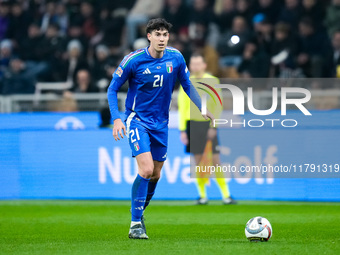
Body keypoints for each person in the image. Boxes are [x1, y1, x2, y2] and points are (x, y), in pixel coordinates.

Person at [107, 18, 212, 239]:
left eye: (165, 35)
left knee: (155, 175)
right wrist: (117, 119)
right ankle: (135, 224)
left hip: (161, 124)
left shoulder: (176, 57)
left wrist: (201, 107)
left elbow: (187, 84)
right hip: (138, 120)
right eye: (158, 34)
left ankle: (138, 212)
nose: (162, 39)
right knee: (145, 170)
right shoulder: (133, 60)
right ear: (149, 36)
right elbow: (112, 89)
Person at [178, 53, 236, 205]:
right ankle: (202, 196)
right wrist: (183, 129)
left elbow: (218, 105)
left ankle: (226, 195)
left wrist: (213, 125)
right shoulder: (187, 81)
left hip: (207, 124)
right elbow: (183, 107)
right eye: (193, 63)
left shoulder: (212, 81)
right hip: (192, 124)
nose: (195, 66)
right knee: (198, 161)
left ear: (204, 65)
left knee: (216, 160)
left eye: (198, 63)